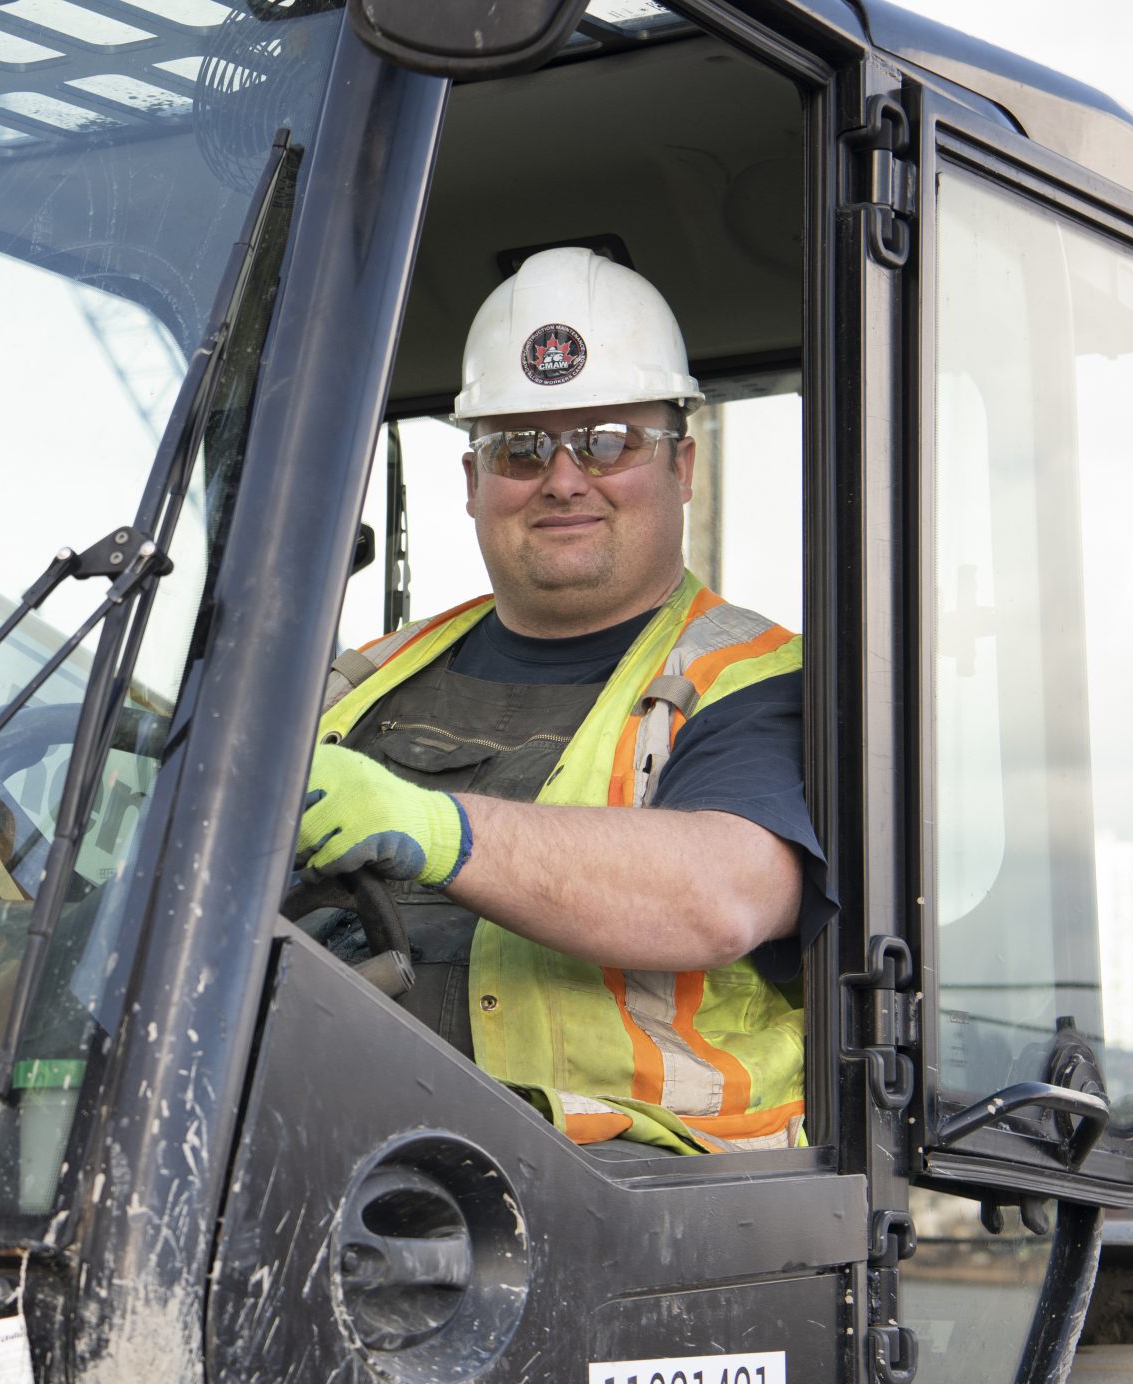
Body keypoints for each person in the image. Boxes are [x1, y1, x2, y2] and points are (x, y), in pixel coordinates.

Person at [298, 247, 830, 1154]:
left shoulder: (755, 676)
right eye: (518, 446)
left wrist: (437, 831)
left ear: (684, 465)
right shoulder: (359, 679)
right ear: (472, 482)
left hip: (665, 1213)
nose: (563, 476)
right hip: (350, 1159)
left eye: (609, 441)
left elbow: (722, 894)